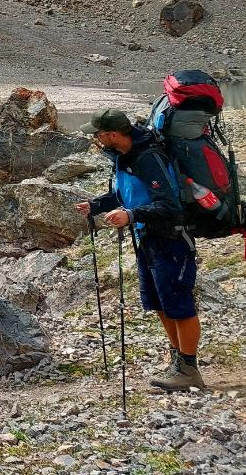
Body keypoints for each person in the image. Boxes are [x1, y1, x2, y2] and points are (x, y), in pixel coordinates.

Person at [76, 108, 199, 390]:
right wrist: (95, 206)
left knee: (179, 304)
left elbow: (169, 205)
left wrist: (130, 216)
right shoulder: (124, 157)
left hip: (170, 238)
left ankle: (189, 369)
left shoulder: (148, 158)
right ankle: (178, 361)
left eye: (98, 133)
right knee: (159, 303)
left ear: (113, 134)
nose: (95, 138)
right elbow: (123, 195)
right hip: (148, 238)